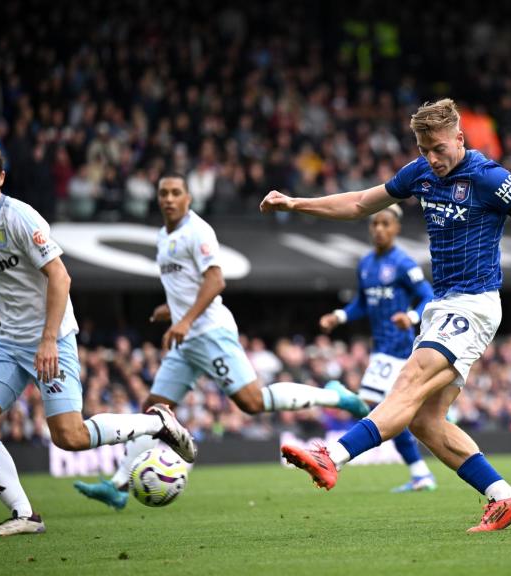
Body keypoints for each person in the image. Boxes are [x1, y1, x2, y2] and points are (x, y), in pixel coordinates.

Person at [261, 98, 511, 532]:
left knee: (406, 382)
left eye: (439, 148)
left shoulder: (488, 177)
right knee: (424, 420)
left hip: (473, 303)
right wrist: (296, 204)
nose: (432, 158)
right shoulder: (420, 172)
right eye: (424, 149)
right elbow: (358, 204)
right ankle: (504, 497)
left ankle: (332, 456)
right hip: (443, 305)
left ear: (460, 139)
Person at [74, 174, 369, 510]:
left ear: (188, 198)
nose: (169, 199)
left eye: (175, 193)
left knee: (252, 402)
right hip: (185, 339)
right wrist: (169, 310)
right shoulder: (162, 236)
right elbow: (186, 288)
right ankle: (118, 487)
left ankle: (337, 395)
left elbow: (215, 281)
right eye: (163, 194)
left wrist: (183, 319)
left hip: (209, 332)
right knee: (155, 411)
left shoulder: (197, 232)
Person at [0, 137, 196, 537]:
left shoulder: (21, 218)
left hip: (52, 337)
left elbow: (61, 276)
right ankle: (24, 515)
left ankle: (156, 424)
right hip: (9, 342)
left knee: (70, 436)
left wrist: (48, 339)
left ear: (2, 176)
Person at [318, 204, 439, 493]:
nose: (379, 229)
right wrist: (340, 316)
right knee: (388, 414)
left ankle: (339, 405)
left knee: (375, 407)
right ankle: (420, 474)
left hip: (398, 347)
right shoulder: (366, 264)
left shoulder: (404, 263)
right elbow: (362, 302)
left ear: (396, 228)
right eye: (375, 224)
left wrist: (410, 317)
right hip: (380, 347)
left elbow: (428, 296)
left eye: (385, 224)